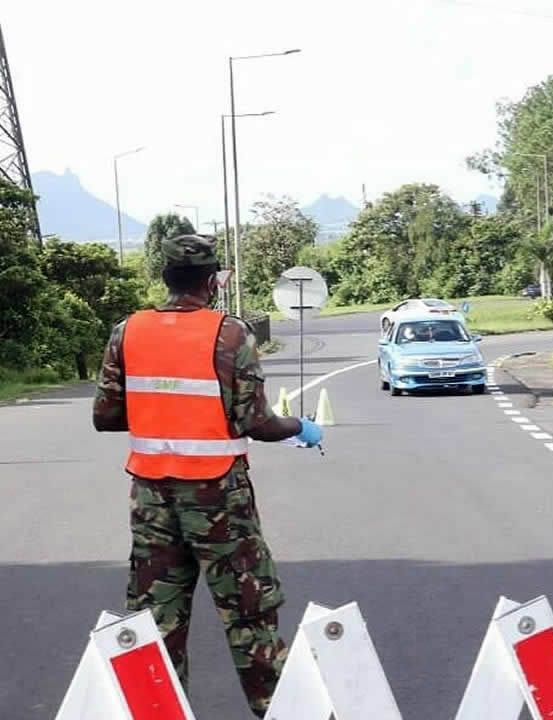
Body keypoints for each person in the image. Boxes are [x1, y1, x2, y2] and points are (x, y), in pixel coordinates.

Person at [93, 234, 323, 717]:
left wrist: (160, 411)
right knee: (249, 615)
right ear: (213, 282)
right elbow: (256, 423)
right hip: (220, 501)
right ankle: (278, 710)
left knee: (154, 625)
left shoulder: (127, 331)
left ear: (165, 277)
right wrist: (300, 425)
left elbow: (106, 416)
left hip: (152, 501)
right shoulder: (231, 334)